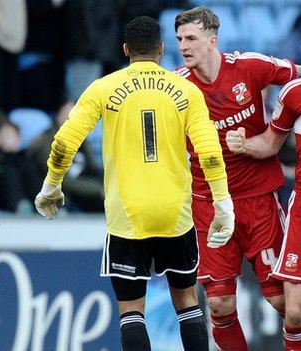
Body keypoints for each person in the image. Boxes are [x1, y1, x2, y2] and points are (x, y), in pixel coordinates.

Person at [174, 6, 301, 351]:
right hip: (209, 204)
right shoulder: (177, 89)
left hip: (259, 200)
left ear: (212, 41)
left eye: (191, 38)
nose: (183, 45)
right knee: (220, 304)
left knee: (285, 304)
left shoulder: (249, 67)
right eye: (179, 39)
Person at [33, 16, 234, 351]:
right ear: (161, 49)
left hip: (128, 216)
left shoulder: (103, 87)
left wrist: (52, 186)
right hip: (175, 215)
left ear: (125, 50)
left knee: (131, 310)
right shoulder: (187, 91)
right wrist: (222, 201)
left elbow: (64, 143)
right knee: (187, 301)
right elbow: (209, 151)